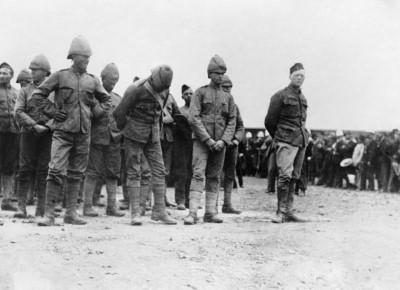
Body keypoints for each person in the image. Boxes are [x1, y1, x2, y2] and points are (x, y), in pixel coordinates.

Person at [30, 36, 111, 226]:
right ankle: (49, 214)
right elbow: (37, 95)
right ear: (73, 56)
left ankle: (71, 213)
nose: (87, 60)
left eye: (89, 57)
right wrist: (52, 112)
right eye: (83, 56)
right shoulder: (60, 76)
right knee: (56, 170)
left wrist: (94, 113)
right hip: (63, 132)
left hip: (84, 133)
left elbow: (106, 101)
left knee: (76, 173)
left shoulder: (93, 81)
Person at [113, 65, 177, 226]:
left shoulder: (164, 90)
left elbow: (159, 111)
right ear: (153, 78)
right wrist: (127, 130)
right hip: (134, 133)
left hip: (153, 134)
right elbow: (119, 113)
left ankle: (159, 211)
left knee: (159, 171)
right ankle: (135, 212)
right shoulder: (135, 89)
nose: (161, 89)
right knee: (134, 172)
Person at [184, 55, 236, 225]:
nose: (221, 76)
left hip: (220, 144)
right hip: (201, 142)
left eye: (223, 73)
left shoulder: (228, 97)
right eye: (217, 73)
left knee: (214, 176)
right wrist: (207, 139)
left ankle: (210, 212)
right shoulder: (199, 93)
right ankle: (192, 213)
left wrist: (223, 141)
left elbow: (232, 121)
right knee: (198, 174)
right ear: (209, 74)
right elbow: (193, 118)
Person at [264, 63, 309, 223]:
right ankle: (280, 211)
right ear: (290, 76)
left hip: (300, 141)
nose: (299, 78)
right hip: (285, 141)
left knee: (294, 176)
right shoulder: (280, 96)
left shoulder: (302, 97)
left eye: (302, 76)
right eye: (297, 75)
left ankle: (289, 211)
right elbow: (269, 121)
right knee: (284, 175)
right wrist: (279, 137)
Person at [82, 63, 125, 218]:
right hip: (96, 138)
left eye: (116, 80)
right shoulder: (93, 97)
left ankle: (111, 207)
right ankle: (87, 206)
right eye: (110, 80)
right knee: (92, 172)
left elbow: (123, 118)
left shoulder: (118, 99)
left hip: (114, 140)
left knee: (113, 174)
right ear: (102, 78)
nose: (113, 83)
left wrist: (120, 133)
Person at [14, 54, 54, 218]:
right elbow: (18, 112)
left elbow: (59, 113)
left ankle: (41, 209)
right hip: (28, 134)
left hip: (47, 135)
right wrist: (33, 125)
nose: (32, 73)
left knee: (44, 171)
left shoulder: (53, 92)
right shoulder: (25, 91)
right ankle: (21, 207)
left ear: (45, 72)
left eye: (36, 70)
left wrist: (47, 126)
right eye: (31, 70)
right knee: (24, 169)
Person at [219, 75, 244, 214]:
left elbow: (240, 127)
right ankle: (211, 207)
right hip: (217, 145)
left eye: (229, 88)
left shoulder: (234, 107)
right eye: (224, 88)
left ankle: (227, 205)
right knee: (214, 174)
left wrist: (236, 140)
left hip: (231, 147)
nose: (227, 91)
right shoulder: (213, 106)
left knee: (230, 175)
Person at [0, 62, 20, 211]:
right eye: (0, 73)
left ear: (11, 75)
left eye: (5, 73)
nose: (2, 76)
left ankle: (7, 200)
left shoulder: (16, 93)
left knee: (9, 166)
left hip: (13, 133)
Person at [174, 84, 193, 210]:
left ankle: (189, 200)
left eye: (191, 93)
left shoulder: (197, 111)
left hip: (194, 144)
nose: (189, 96)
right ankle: (180, 200)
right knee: (181, 172)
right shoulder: (179, 111)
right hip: (181, 145)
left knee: (192, 172)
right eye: (187, 94)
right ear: (182, 96)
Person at [160, 91, 180, 207]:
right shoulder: (150, 94)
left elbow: (177, 114)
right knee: (150, 171)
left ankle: (163, 199)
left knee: (165, 172)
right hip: (154, 138)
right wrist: (162, 120)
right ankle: (147, 201)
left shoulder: (171, 97)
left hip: (168, 138)